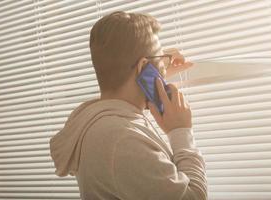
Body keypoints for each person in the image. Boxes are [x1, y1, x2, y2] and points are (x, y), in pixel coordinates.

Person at [49, 11, 208, 200]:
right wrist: (181, 131)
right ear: (142, 67)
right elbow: (194, 196)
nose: (164, 70)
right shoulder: (122, 139)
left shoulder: (97, 122)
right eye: (161, 61)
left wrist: (159, 63)